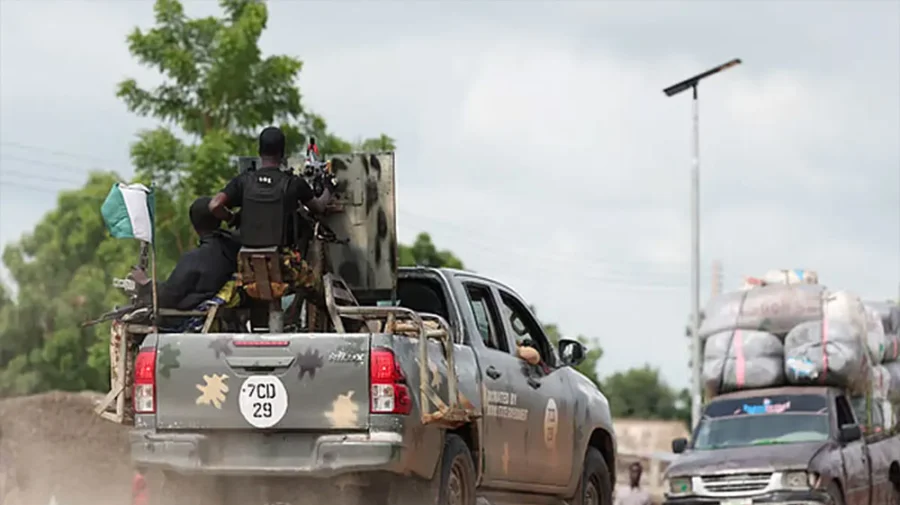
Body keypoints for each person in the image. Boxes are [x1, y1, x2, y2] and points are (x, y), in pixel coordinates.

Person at [208, 126, 335, 295]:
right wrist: (329, 187)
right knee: (317, 287)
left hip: (248, 269)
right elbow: (319, 207)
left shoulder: (244, 181)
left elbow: (214, 205)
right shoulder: (293, 183)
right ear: (282, 153)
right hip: (284, 267)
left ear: (259, 151)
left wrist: (232, 219)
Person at [157, 197, 241, 310]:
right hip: (228, 315)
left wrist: (145, 284)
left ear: (194, 225)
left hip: (192, 319)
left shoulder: (194, 259)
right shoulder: (235, 248)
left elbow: (168, 297)